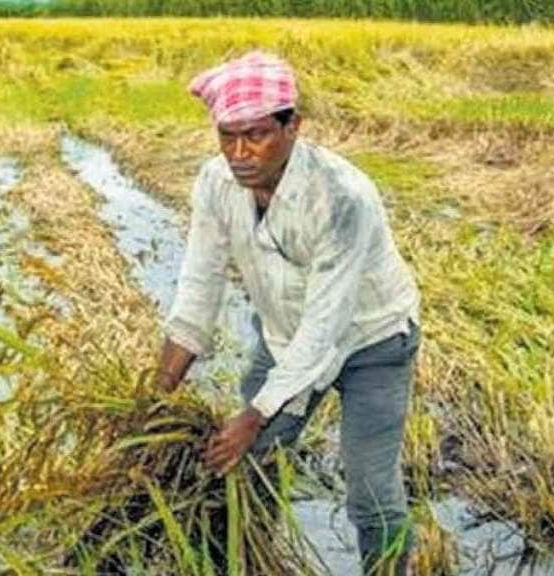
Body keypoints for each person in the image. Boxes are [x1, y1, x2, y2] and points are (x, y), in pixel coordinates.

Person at [156, 51, 421, 574]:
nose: (240, 153)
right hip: (284, 338)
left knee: (371, 493)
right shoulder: (215, 184)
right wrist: (154, 398)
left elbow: (326, 328)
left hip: (374, 343)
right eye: (227, 136)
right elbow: (198, 288)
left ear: (293, 126)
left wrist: (255, 415)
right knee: (242, 471)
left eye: (255, 134)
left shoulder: (342, 198)